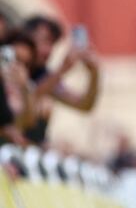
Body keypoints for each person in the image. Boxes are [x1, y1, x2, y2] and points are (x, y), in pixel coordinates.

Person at [22, 16, 100, 146]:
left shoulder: (44, 74)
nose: (48, 50)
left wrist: (94, 74)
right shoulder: (11, 64)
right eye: (44, 41)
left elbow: (84, 105)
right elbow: (26, 98)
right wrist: (62, 69)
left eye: (52, 44)